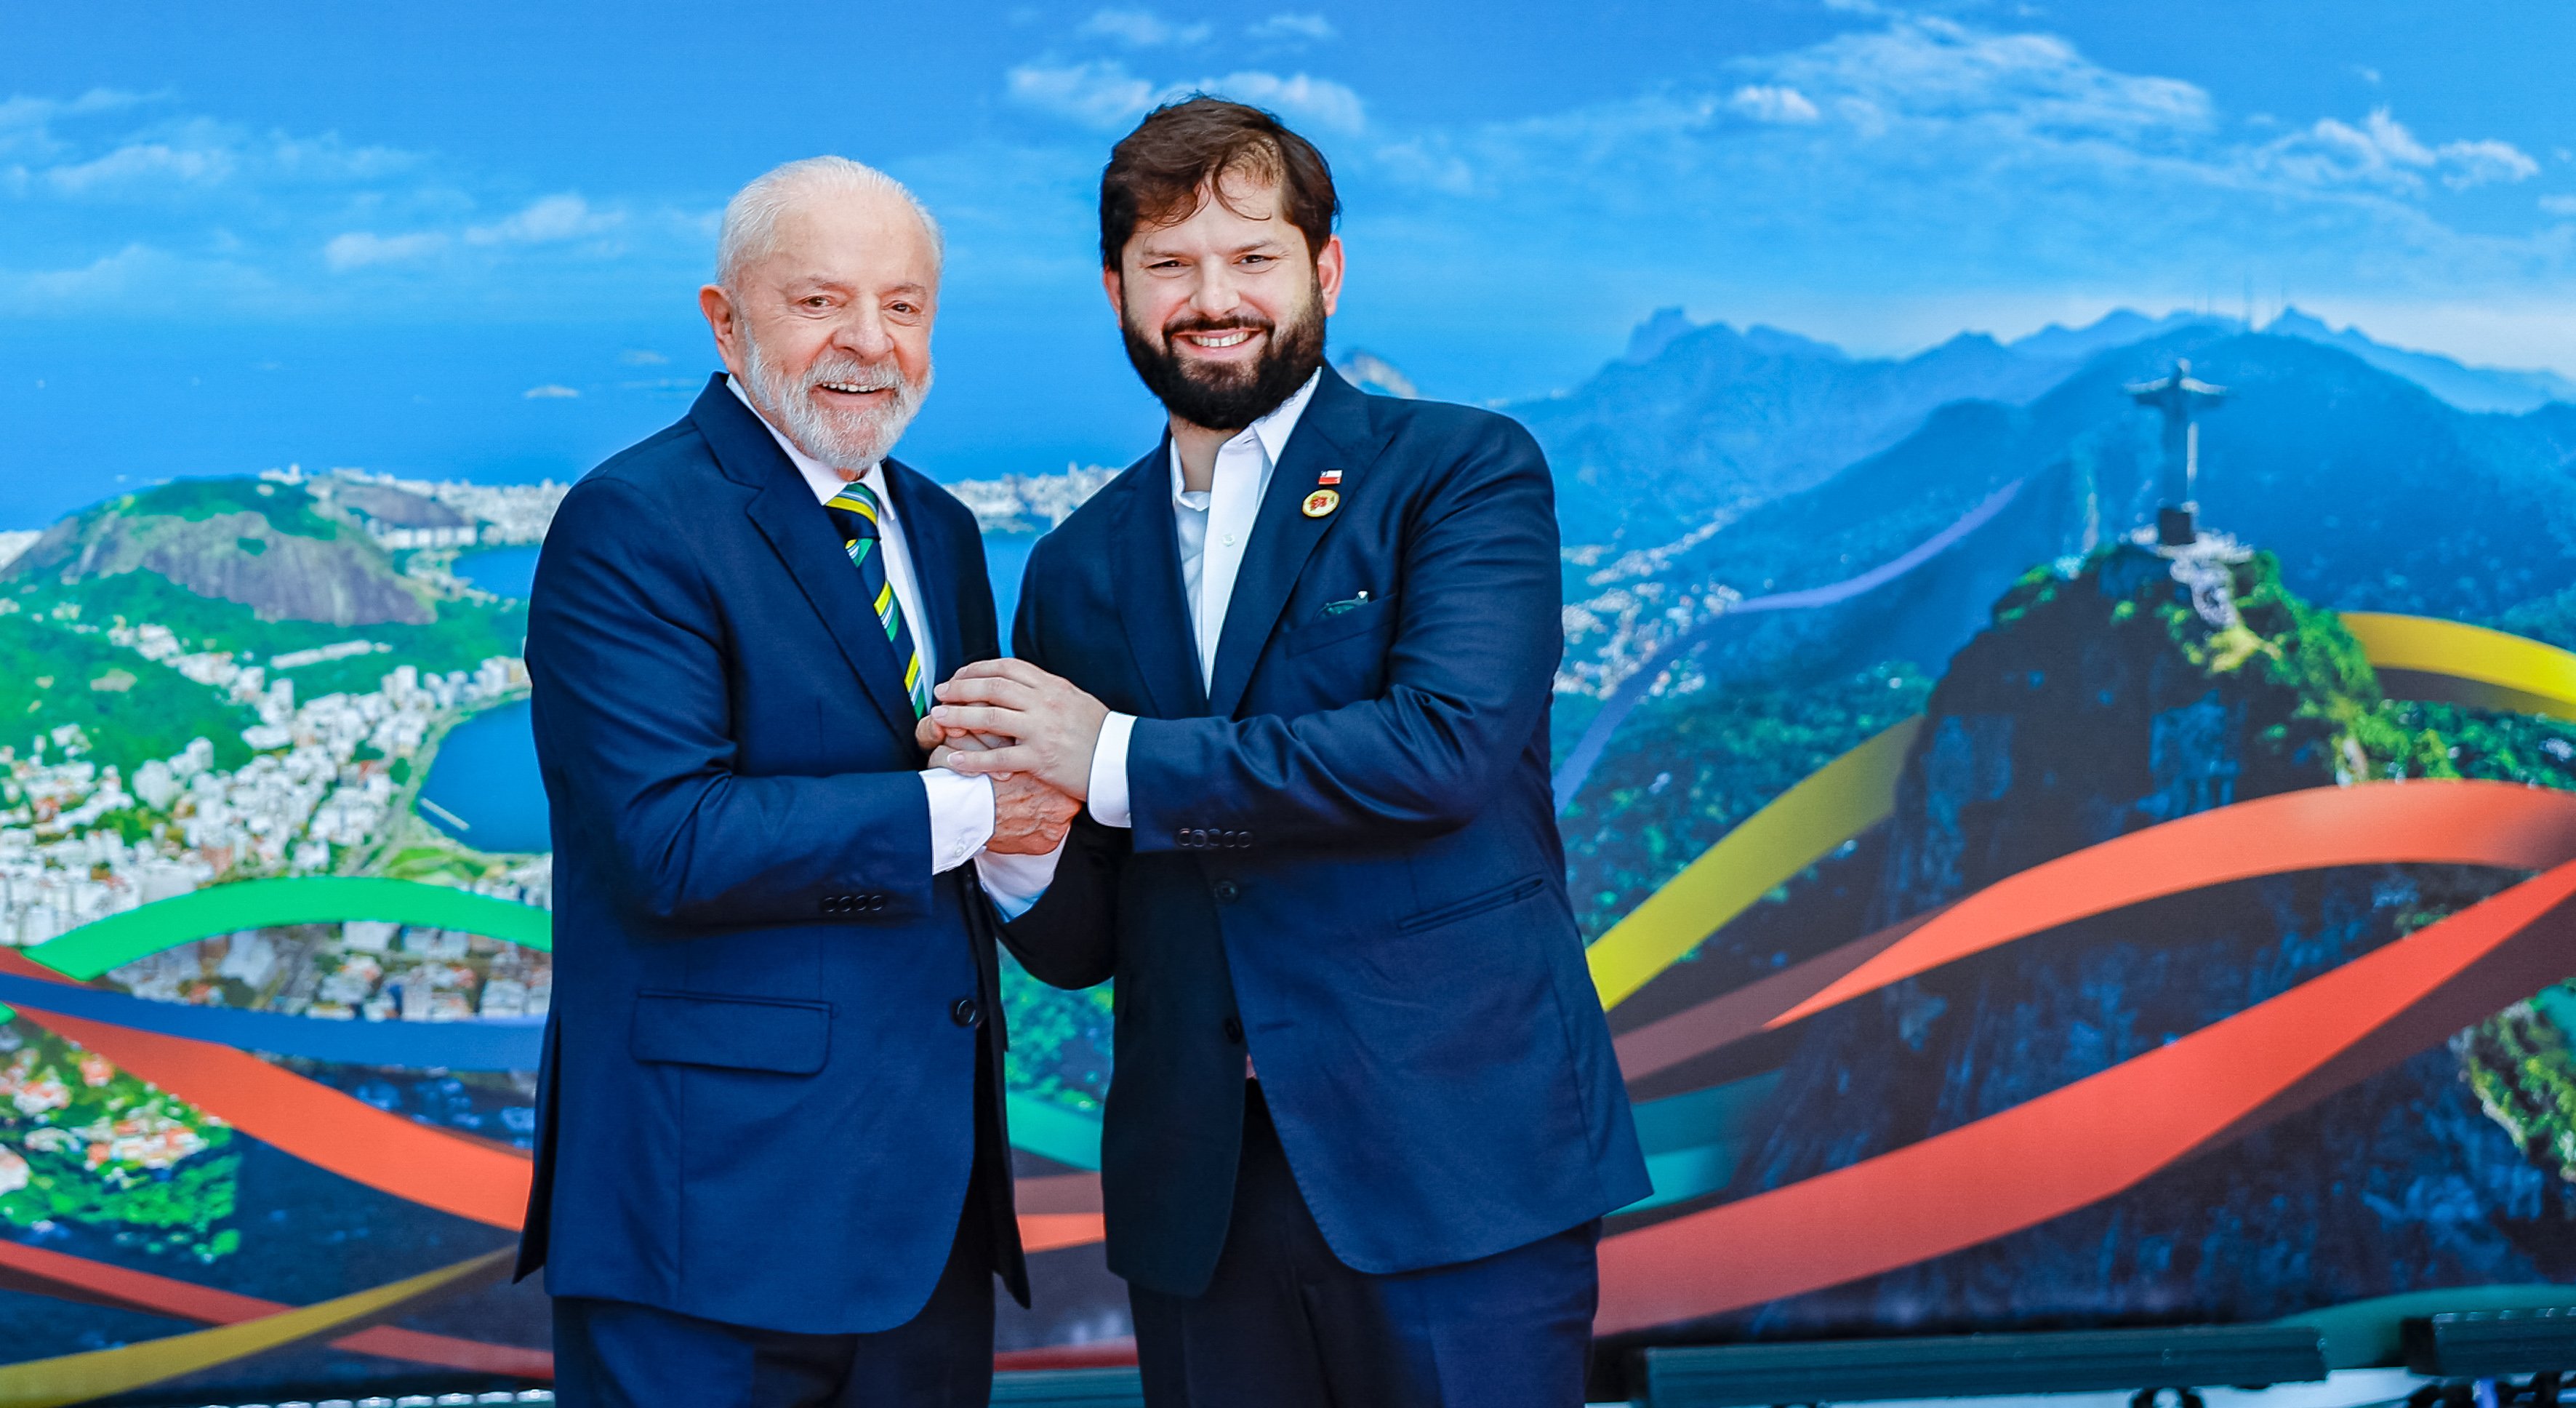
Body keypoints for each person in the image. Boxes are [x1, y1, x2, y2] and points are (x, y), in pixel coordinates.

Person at [925, 98, 1650, 1407]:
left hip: (1454, 1165)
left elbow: (1442, 751)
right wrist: (1023, 850)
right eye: (1170, 264)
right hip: (1203, 1193)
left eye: (1252, 257)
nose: (1215, 298)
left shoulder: (1461, 472)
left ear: (1325, 268)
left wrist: (1117, 757)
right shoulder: (1079, 565)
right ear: (1116, 291)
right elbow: (1094, 938)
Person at [518, 156, 1076, 1407]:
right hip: (711, 1224)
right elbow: (667, 840)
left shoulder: (937, 527)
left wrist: (1026, 832)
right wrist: (983, 809)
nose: (868, 344)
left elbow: (967, 800)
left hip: (923, 1215)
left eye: (905, 306)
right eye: (820, 301)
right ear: (726, 319)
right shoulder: (633, 520)